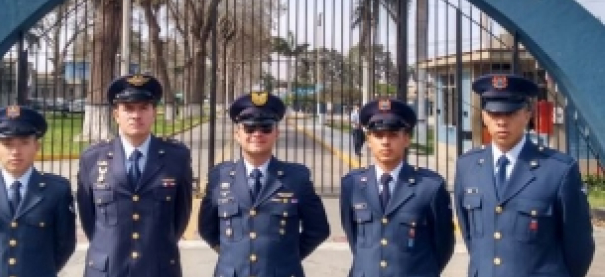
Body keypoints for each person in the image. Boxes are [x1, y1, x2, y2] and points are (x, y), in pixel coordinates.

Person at [455, 74, 595, 277]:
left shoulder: (558, 170)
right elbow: (471, 238)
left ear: (527, 114)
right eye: (494, 114)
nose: (502, 122)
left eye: (511, 113)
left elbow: (579, 247)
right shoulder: (467, 166)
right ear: (484, 116)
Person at [199, 91, 330, 277]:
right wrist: (233, 257)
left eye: (266, 128)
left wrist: (286, 259)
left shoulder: (296, 179)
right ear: (237, 134)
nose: (257, 134)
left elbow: (318, 229)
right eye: (249, 128)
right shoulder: (219, 177)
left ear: (276, 133)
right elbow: (207, 228)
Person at [76, 74, 193, 277]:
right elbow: (89, 219)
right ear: (115, 114)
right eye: (128, 108)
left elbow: (180, 217)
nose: (136, 115)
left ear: (154, 112)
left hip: (158, 268)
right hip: (108, 269)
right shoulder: (93, 158)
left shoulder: (176, 158)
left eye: (143, 108)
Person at [0, 105, 76, 277]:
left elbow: (64, 245)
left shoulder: (56, 191)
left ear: (36, 147)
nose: (15, 152)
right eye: (7, 144)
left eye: (24, 143)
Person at [340, 98, 454, 276]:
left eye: (393, 135)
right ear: (369, 140)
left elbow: (443, 245)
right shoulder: (352, 184)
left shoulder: (430, 187)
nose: (385, 142)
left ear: (406, 139)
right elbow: (354, 239)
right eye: (378, 135)